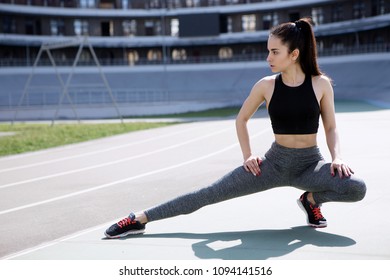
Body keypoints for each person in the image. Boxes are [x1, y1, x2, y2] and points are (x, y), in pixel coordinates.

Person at [104, 18, 366, 239]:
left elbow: (330, 126)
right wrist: (248, 155)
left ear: (294, 54)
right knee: (209, 193)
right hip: (273, 165)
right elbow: (241, 119)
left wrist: (337, 157)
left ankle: (311, 201)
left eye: (275, 52)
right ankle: (139, 218)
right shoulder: (266, 85)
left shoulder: (321, 84)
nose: (268, 58)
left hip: (310, 165)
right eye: (268, 51)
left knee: (356, 187)